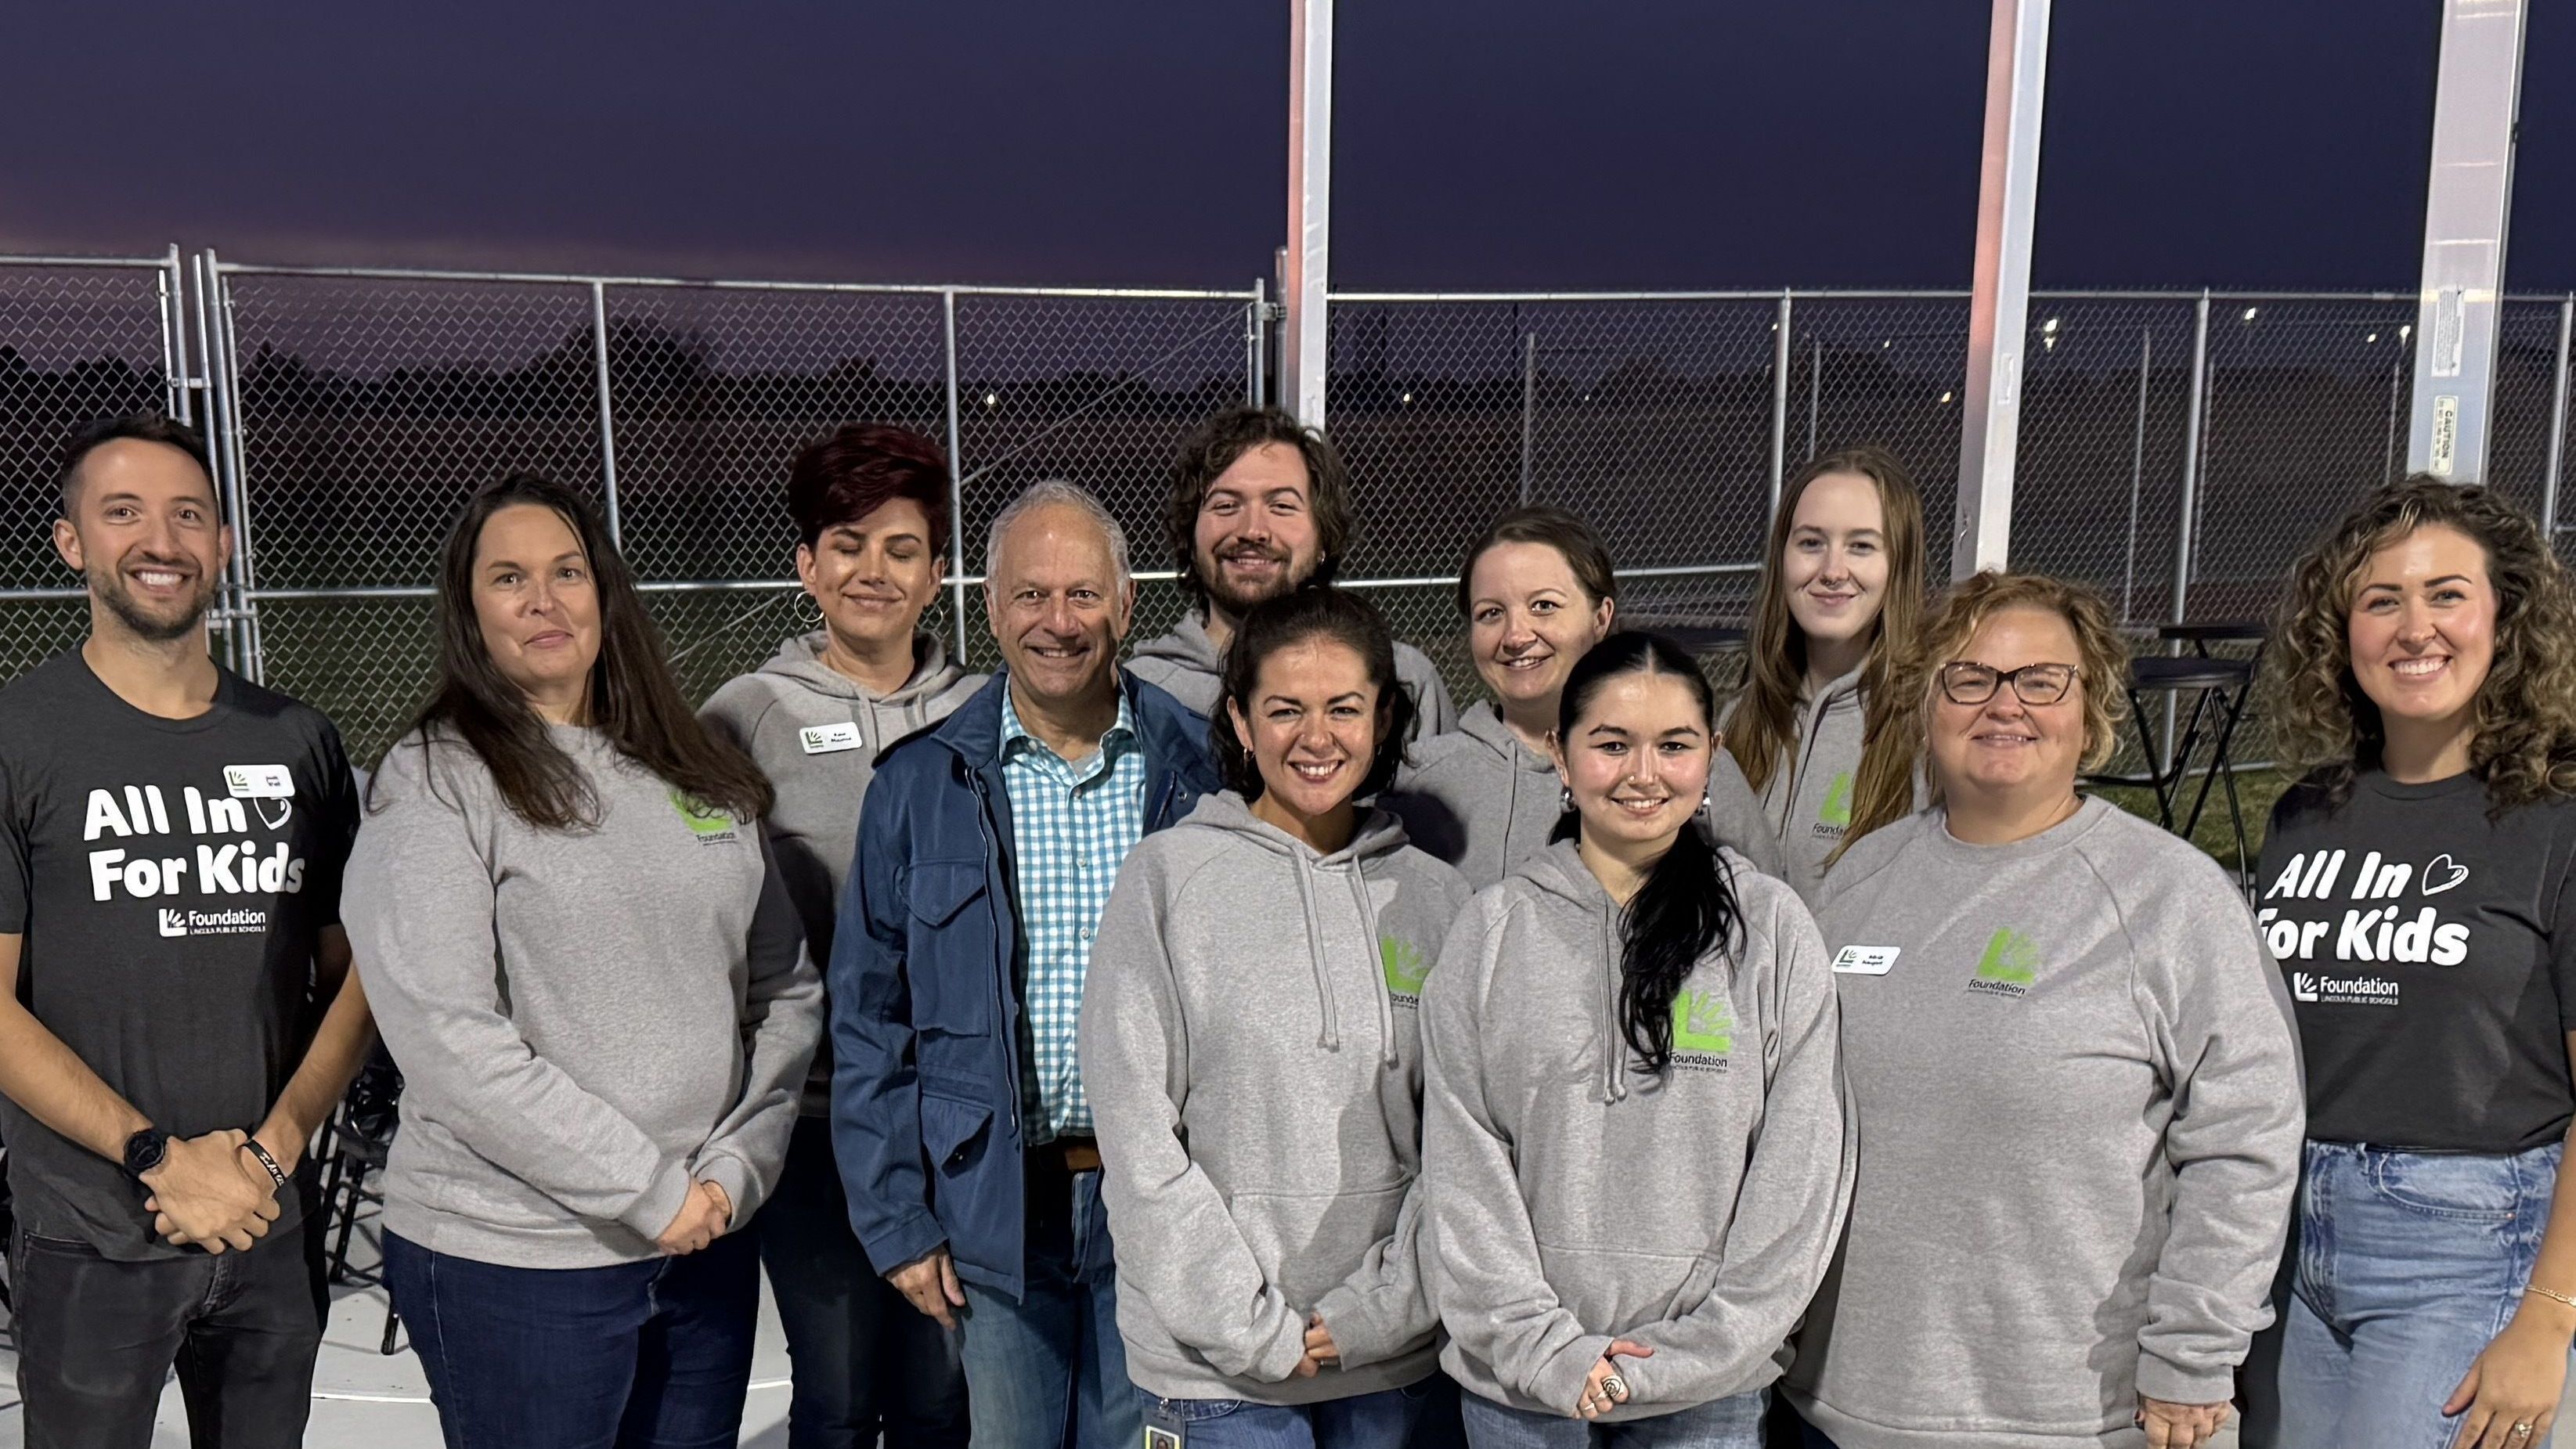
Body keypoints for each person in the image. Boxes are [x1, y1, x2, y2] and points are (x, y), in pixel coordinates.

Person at [345, 473, 822, 1448]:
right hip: (517, 1264)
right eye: (508, 578)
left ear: (604, 594)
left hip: (706, 1238)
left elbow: (785, 990)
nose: (542, 599)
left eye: (567, 572)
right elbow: (447, 1037)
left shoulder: (695, 768)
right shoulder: (438, 781)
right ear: (469, 610)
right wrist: (649, 1193)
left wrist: (735, 1168)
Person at [1788, 571, 2300, 1449]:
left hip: (2064, 1413)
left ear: (2089, 707)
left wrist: (2190, 1355)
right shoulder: (1860, 883)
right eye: (1970, 677)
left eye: (2040, 680)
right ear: (1924, 702)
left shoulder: (2169, 898)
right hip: (1836, 1402)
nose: (2003, 704)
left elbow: (2244, 1143)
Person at [0, 414, 374, 1449]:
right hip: (93, 1231)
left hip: (269, 1217)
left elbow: (356, 978)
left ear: (222, 545)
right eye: (122, 511)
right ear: (71, 540)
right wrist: (156, 1152)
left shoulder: (300, 739)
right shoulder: (20, 737)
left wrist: (275, 1147)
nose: (159, 540)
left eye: (188, 515)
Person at [835, 479, 1222, 1449]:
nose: (1058, 622)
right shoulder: (919, 787)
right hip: (993, 1208)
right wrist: (898, 1220)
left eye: (1084, 595)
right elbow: (868, 1020)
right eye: (1031, 596)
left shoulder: (1200, 769)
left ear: (1126, 606)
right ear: (992, 609)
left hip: (1163, 1202)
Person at [1422, 630, 1854, 1447]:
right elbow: (1461, 1166)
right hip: (1519, 1390)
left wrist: (1694, 1354)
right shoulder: (1491, 931)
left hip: (1706, 1397)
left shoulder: (1770, 931)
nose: (1642, 774)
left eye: (1673, 745)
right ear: (1562, 752)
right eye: (1611, 745)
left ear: (1711, 757)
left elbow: (1800, 1174)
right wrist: (1540, 1348)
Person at [1084, 586, 1472, 1447]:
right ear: (1241, 718)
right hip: (1213, 1377)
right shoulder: (1165, 881)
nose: (1316, 736)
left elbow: (1467, 1139)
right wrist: (1245, 1322)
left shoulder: (1437, 900)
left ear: (1382, 717)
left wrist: (1385, 1308)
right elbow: (1137, 1135)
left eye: (1343, 708)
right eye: (1284, 709)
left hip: (1392, 1362)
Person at [2255, 478, 2576, 1449]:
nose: (2413, 628)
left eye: (2445, 595)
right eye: (2380, 600)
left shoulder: (2554, 819)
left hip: (2465, 1249)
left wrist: (2548, 1317)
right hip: (2292, 1244)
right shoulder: (2303, 812)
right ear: (2338, 631)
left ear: (2503, 619)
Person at [700, 423, 980, 1447]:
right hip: (814, 1120)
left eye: (901, 547)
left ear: (938, 572)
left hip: (952, 1117)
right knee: (834, 1385)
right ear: (806, 564)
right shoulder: (745, 715)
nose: (874, 570)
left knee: (941, 1384)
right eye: (847, 543)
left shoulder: (985, 711)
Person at [1386, 506, 1780, 891]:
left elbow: (1766, 920)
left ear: (1601, 618)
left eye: (1544, 606)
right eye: (1491, 613)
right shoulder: (1422, 780)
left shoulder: (1684, 762)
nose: (1516, 636)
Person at [1129, 406, 1456, 737]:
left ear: (1323, 538)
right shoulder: (1138, 692)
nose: (1253, 530)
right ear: (1190, 533)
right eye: (1226, 505)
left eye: (1282, 506)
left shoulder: (1401, 682)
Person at [1725, 447, 1926, 901]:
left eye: (1861, 546)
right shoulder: (1739, 719)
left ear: (1899, 565)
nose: (1833, 571)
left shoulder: (1929, 725)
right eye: (1811, 543)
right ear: (1783, 558)